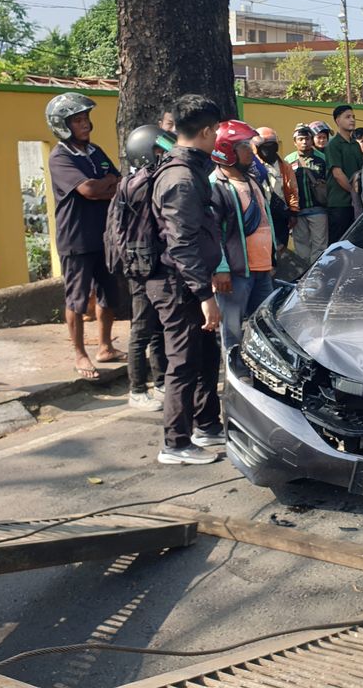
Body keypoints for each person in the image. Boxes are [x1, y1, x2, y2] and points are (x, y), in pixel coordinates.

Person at [147, 94, 225, 466]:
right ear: (207, 131)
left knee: (206, 356)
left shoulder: (190, 170)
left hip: (190, 281)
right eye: (217, 131)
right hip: (178, 284)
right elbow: (182, 245)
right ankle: (175, 443)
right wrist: (204, 294)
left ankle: (206, 425)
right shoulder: (180, 178)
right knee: (181, 362)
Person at [45, 92, 123, 382]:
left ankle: (105, 347)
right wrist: (104, 185)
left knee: (109, 293)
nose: (86, 124)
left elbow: (119, 182)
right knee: (77, 300)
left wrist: (103, 185)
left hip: (104, 236)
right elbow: (88, 190)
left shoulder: (95, 152)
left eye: (86, 119)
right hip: (76, 239)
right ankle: (80, 353)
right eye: (78, 120)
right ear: (63, 125)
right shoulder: (60, 157)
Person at [209, 120, 276, 358]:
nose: (251, 150)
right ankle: (234, 377)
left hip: (261, 269)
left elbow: (266, 221)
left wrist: (272, 259)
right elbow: (212, 232)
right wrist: (221, 268)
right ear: (227, 151)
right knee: (232, 331)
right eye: (244, 146)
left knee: (265, 326)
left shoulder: (252, 179)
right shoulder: (216, 186)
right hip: (235, 273)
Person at [120, 123, 175, 411]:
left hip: (155, 262)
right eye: (159, 150)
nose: (166, 155)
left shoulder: (154, 178)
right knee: (141, 328)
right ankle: (136, 388)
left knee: (157, 329)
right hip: (142, 265)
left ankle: (161, 380)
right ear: (144, 154)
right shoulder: (139, 183)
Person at [285, 123, 330, 268]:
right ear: (295, 141)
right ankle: (303, 275)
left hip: (319, 209)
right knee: (301, 247)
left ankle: (317, 274)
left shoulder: (322, 158)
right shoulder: (288, 161)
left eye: (307, 139)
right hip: (298, 211)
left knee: (320, 246)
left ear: (312, 140)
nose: (304, 142)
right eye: (301, 139)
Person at [252, 126, 298, 254]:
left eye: (272, 144)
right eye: (265, 145)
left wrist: (293, 212)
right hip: (261, 212)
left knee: (281, 246)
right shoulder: (253, 165)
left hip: (280, 213)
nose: (269, 148)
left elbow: (292, 189)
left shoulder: (284, 166)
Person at [325, 104, 363, 243]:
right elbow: (337, 174)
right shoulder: (333, 144)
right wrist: (353, 192)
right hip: (339, 203)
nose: (352, 120)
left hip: (355, 204)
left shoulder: (355, 144)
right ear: (337, 121)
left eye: (353, 117)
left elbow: (361, 171)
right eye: (347, 117)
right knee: (338, 243)